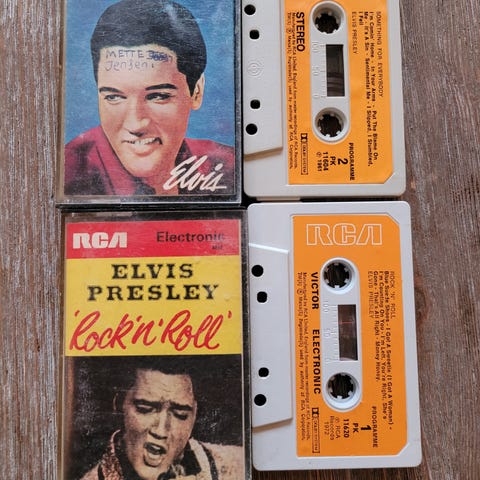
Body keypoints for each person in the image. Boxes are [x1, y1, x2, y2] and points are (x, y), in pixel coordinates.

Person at [64, 0, 234, 196]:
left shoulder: (227, 168)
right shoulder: (67, 175)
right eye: (114, 97)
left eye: (158, 96)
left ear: (196, 91)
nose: (136, 124)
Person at [80, 358, 244, 480]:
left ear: (195, 415)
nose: (161, 431)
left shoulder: (239, 465)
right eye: (145, 409)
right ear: (119, 405)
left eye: (180, 414)